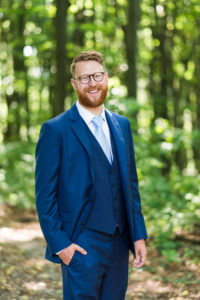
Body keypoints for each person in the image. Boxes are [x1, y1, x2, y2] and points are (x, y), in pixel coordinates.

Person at [35, 50, 148, 300]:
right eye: (84, 78)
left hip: (119, 244)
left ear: (106, 78)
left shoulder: (122, 126)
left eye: (97, 76)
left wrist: (138, 235)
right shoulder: (56, 130)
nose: (92, 83)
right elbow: (45, 197)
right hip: (80, 244)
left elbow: (130, 186)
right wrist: (62, 246)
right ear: (74, 84)